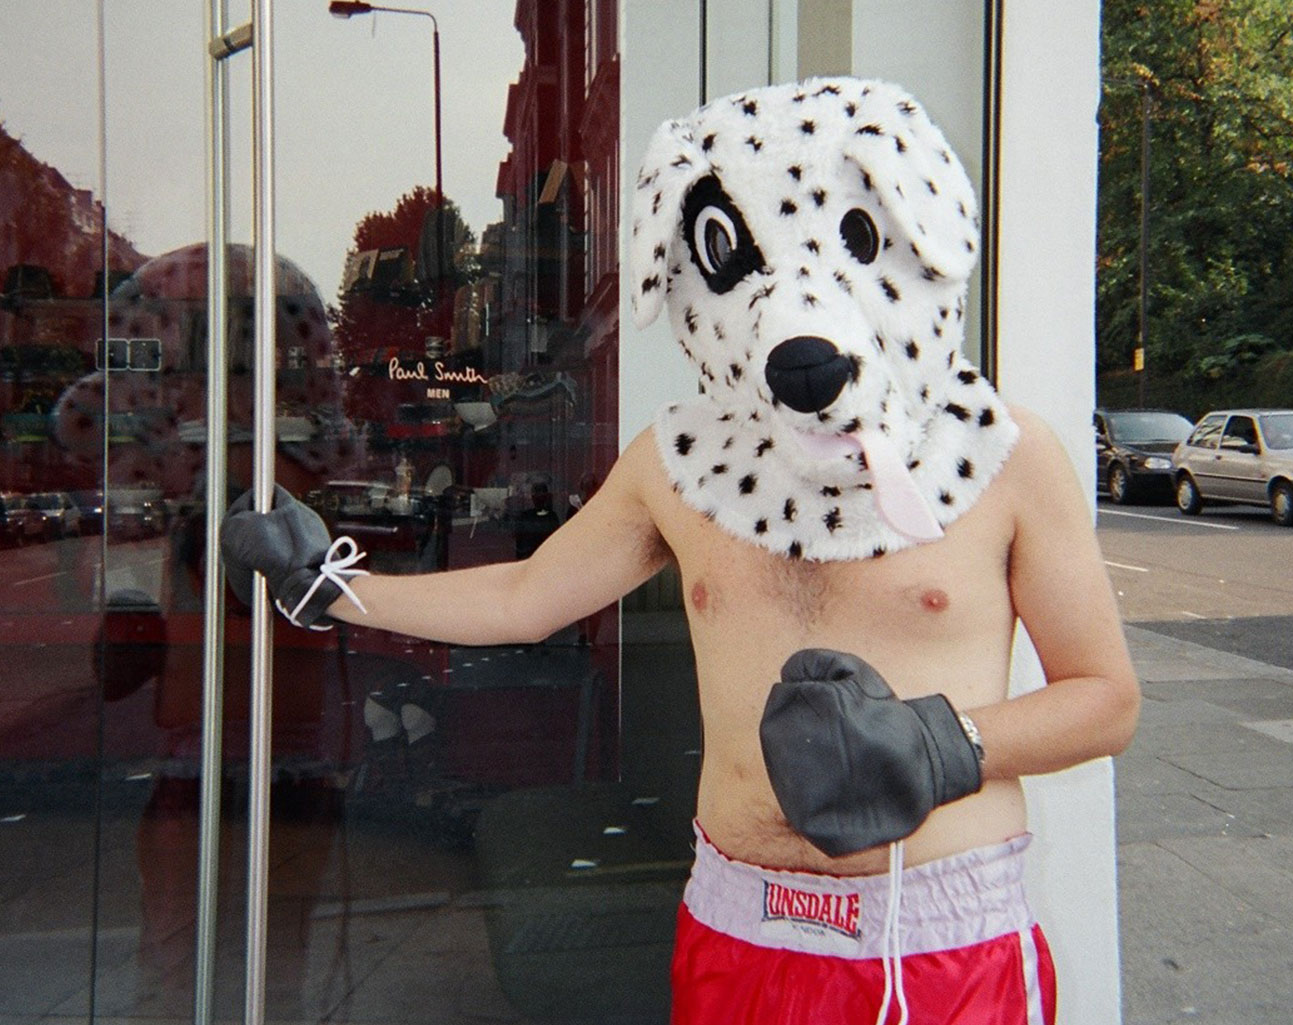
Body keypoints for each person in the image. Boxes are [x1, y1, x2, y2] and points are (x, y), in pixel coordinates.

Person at [223, 77, 1139, 1025]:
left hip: (938, 944)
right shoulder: (680, 464)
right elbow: (525, 595)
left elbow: (1106, 698)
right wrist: (330, 584)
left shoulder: (1003, 456)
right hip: (739, 928)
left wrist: (947, 743)